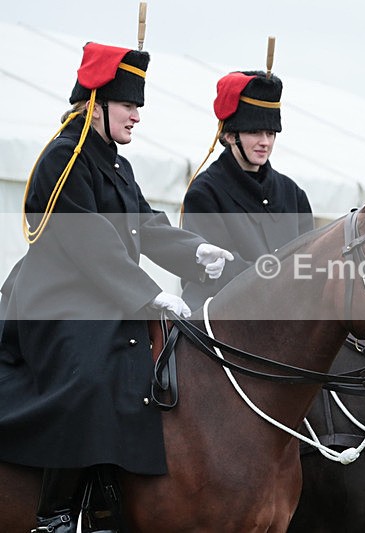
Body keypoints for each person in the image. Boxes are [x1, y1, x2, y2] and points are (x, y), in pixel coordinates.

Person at [0, 42, 233, 533]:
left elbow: (144, 225)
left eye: (137, 107)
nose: (136, 116)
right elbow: (87, 239)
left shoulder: (115, 162)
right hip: (55, 301)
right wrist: (147, 293)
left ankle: (106, 502)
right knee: (89, 376)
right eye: (129, 105)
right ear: (95, 103)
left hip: (105, 296)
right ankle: (54, 513)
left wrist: (193, 251)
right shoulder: (63, 158)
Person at [180, 69, 313, 310]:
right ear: (230, 135)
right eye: (254, 132)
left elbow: (307, 264)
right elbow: (219, 271)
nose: (265, 142)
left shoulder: (294, 194)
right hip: (226, 327)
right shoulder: (204, 193)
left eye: (270, 133)